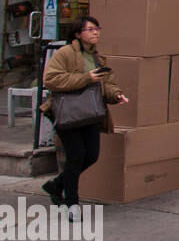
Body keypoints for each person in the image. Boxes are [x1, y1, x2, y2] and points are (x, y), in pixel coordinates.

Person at [39, 16, 129, 216]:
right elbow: (51, 79)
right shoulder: (65, 53)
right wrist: (85, 78)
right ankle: (72, 203)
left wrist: (116, 95)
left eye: (97, 28)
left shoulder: (99, 58)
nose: (95, 32)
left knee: (91, 156)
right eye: (90, 29)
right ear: (78, 34)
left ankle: (56, 185)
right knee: (76, 157)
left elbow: (107, 84)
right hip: (68, 114)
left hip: (91, 113)